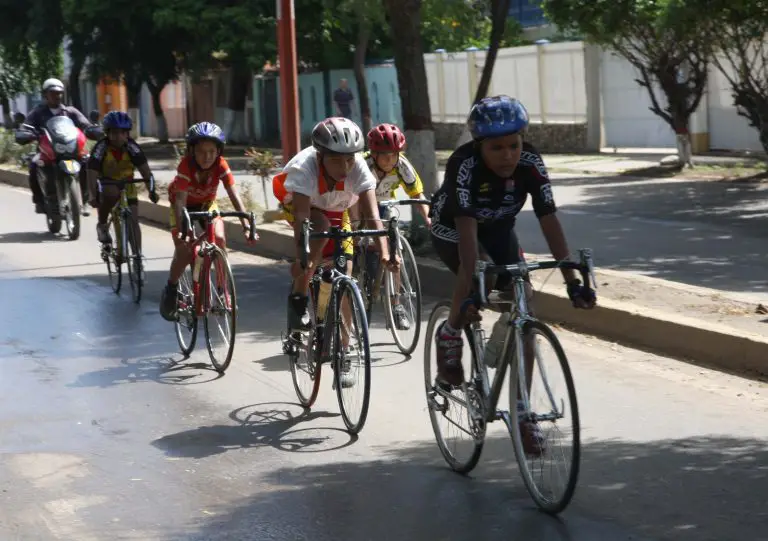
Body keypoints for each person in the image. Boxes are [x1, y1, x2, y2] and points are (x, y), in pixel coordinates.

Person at [429, 95, 596, 453]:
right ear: (479, 146)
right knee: (480, 271)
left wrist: (572, 281)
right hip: (456, 229)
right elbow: (470, 245)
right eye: (497, 148)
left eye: (514, 145)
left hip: (499, 228)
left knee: (525, 301)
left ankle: (523, 413)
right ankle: (450, 333)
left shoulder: (531, 163)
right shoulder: (464, 165)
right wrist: (474, 290)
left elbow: (549, 221)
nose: (508, 155)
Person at [272, 117, 398, 388]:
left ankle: (345, 351)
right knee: (318, 232)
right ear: (320, 156)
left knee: (345, 278)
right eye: (337, 161)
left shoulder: (359, 168)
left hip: (339, 210)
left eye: (349, 160)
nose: (345, 167)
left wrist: (385, 253)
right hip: (306, 209)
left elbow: (374, 217)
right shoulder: (304, 168)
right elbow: (304, 220)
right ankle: (298, 298)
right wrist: (303, 258)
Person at [159, 122, 254, 321]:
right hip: (181, 206)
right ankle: (171, 287)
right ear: (192, 151)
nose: (207, 156)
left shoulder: (221, 165)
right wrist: (184, 229)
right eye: (201, 151)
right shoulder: (185, 165)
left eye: (212, 151)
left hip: (206, 205)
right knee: (185, 248)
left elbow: (233, 193)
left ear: (219, 151)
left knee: (219, 238)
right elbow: (181, 201)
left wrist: (246, 223)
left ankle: (222, 290)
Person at [355, 122, 430, 331]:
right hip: (357, 206)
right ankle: (353, 281)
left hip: (384, 206)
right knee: (353, 242)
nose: (390, 160)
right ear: (374, 154)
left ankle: (397, 305)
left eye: (394, 155)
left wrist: (428, 219)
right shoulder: (362, 164)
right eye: (385, 155)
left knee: (394, 251)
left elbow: (417, 194)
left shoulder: (402, 164)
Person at [22, 78, 98, 216]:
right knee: (34, 165)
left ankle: (86, 201)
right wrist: (25, 133)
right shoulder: (38, 112)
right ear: (45, 94)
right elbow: (26, 126)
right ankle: (39, 201)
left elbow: (84, 123)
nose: (56, 96)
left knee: (87, 162)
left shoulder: (70, 111)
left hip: (70, 149)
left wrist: (92, 129)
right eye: (52, 93)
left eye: (59, 93)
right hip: (47, 151)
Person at [87, 111, 158, 252]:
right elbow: (92, 171)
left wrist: (151, 190)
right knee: (110, 194)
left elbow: (145, 170)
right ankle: (102, 225)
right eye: (114, 133)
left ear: (127, 134)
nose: (118, 137)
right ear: (107, 133)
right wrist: (92, 194)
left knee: (133, 219)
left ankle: (137, 257)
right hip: (108, 182)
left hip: (127, 184)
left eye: (122, 133)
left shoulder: (133, 147)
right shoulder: (101, 147)